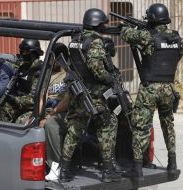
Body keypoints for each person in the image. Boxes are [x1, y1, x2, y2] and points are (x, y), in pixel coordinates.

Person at [120, 3, 183, 179]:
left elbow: (126, 34)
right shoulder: (176, 38)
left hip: (149, 88)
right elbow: (178, 54)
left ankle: (137, 168)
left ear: (153, 19)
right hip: (168, 87)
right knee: (168, 125)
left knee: (141, 127)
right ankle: (172, 164)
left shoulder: (148, 36)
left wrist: (126, 26)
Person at [59, 8, 122, 183]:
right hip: (94, 94)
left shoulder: (75, 40)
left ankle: (63, 170)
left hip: (79, 92)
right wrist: (111, 79)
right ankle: (108, 170)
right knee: (108, 124)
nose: (104, 27)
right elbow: (97, 70)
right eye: (103, 24)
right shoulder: (95, 42)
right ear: (97, 23)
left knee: (74, 130)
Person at [38, 43, 70, 181]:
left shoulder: (70, 72)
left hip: (66, 112)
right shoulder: (48, 72)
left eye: (53, 59)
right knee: (24, 123)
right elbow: (42, 96)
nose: (50, 62)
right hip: (50, 111)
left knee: (51, 125)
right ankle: (37, 165)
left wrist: (49, 115)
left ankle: (55, 167)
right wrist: (37, 116)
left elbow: (68, 100)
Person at [0, 39, 43, 123]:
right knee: (0, 107)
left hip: (31, 107)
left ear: (34, 53)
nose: (23, 54)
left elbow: (33, 99)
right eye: (22, 52)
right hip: (19, 103)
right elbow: (12, 63)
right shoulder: (23, 66)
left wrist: (15, 99)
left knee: (20, 121)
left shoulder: (39, 71)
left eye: (26, 52)